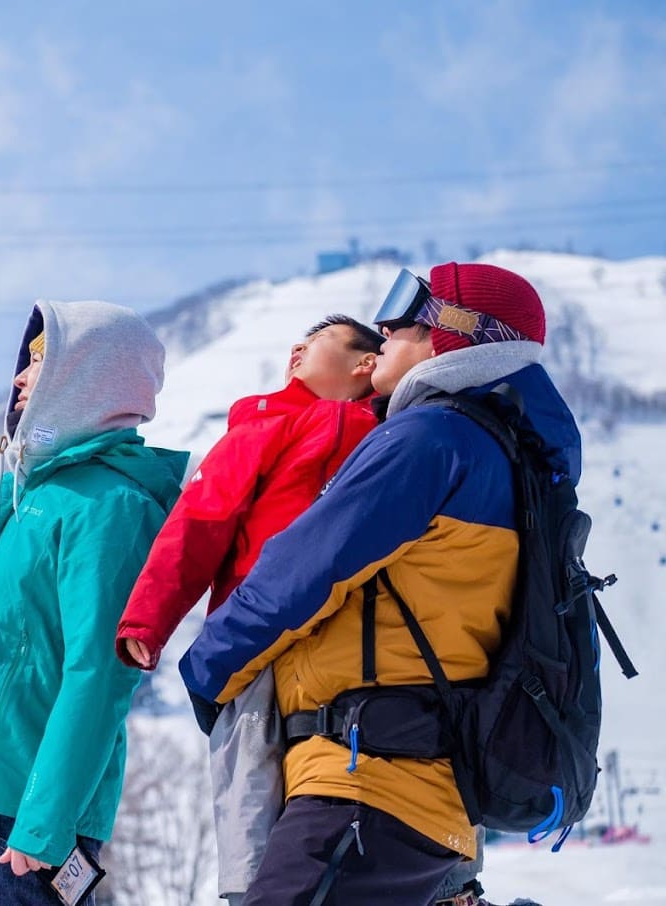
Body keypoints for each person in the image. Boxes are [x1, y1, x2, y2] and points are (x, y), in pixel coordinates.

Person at [179, 262, 571, 904]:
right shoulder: (501, 451)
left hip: (365, 781)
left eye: (408, 307)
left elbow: (305, 568)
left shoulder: (428, 438)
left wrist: (208, 668)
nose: (385, 325)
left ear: (460, 333)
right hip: (420, 786)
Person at [0, 300, 188, 906]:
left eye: (43, 362)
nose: (20, 378)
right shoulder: (27, 497)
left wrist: (47, 822)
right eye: (25, 363)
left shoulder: (112, 507)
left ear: (93, 374)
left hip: (26, 818)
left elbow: (98, 677)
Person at [115, 314, 382, 906]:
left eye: (315, 341)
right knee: (251, 774)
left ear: (365, 363)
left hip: (348, 645)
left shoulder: (386, 431)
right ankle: (247, 891)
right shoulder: (265, 421)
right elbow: (200, 520)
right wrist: (150, 615)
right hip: (256, 634)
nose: (296, 348)